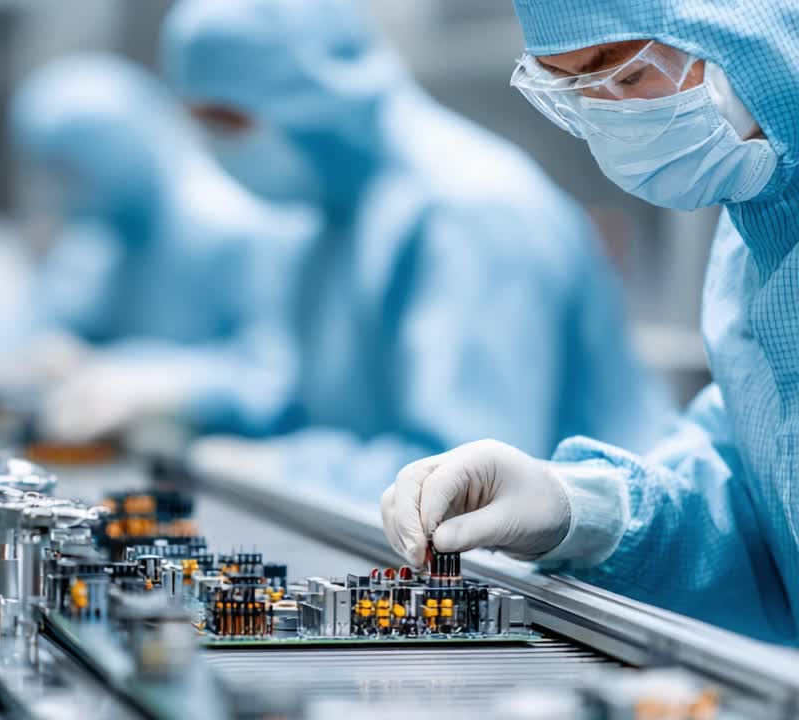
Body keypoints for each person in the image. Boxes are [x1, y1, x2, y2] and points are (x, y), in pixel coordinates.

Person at [379, 0, 799, 644]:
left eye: (629, 77)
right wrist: (584, 511)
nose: (617, 116)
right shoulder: (753, 245)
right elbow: (763, 511)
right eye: (576, 89)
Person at [164, 0, 672, 498]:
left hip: (574, 572)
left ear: (310, 94)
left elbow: (465, 476)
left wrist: (286, 467)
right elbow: (306, 399)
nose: (213, 147)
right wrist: (179, 391)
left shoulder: (469, 211)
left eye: (225, 120)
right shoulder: (333, 214)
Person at [0, 55, 313, 440]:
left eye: (74, 171)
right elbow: (31, 326)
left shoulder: (236, 224)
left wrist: (163, 385)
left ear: (121, 147)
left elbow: (273, 378)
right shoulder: (107, 236)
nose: (64, 192)